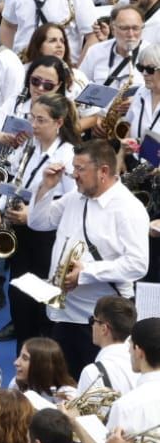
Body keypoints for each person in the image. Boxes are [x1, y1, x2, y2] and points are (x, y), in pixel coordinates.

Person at [26, 138, 148, 375]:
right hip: (64, 314)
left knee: (98, 387)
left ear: (103, 171)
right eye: (74, 168)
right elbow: (38, 222)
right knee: (64, 386)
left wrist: (86, 274)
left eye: (80, 169)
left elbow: (138, 264)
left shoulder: (128, 208)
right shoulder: (75, 197)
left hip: (103, 323)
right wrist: (46, 188)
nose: (74, 175)